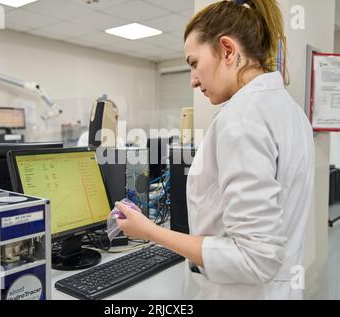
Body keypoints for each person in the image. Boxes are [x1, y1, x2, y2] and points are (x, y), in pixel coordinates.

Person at [115, 0, 314, 300]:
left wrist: (150, 232)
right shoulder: (290, 111)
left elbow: (255, 257)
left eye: (194, 63)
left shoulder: (243, 119)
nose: (193, 80)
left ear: (228, 50)